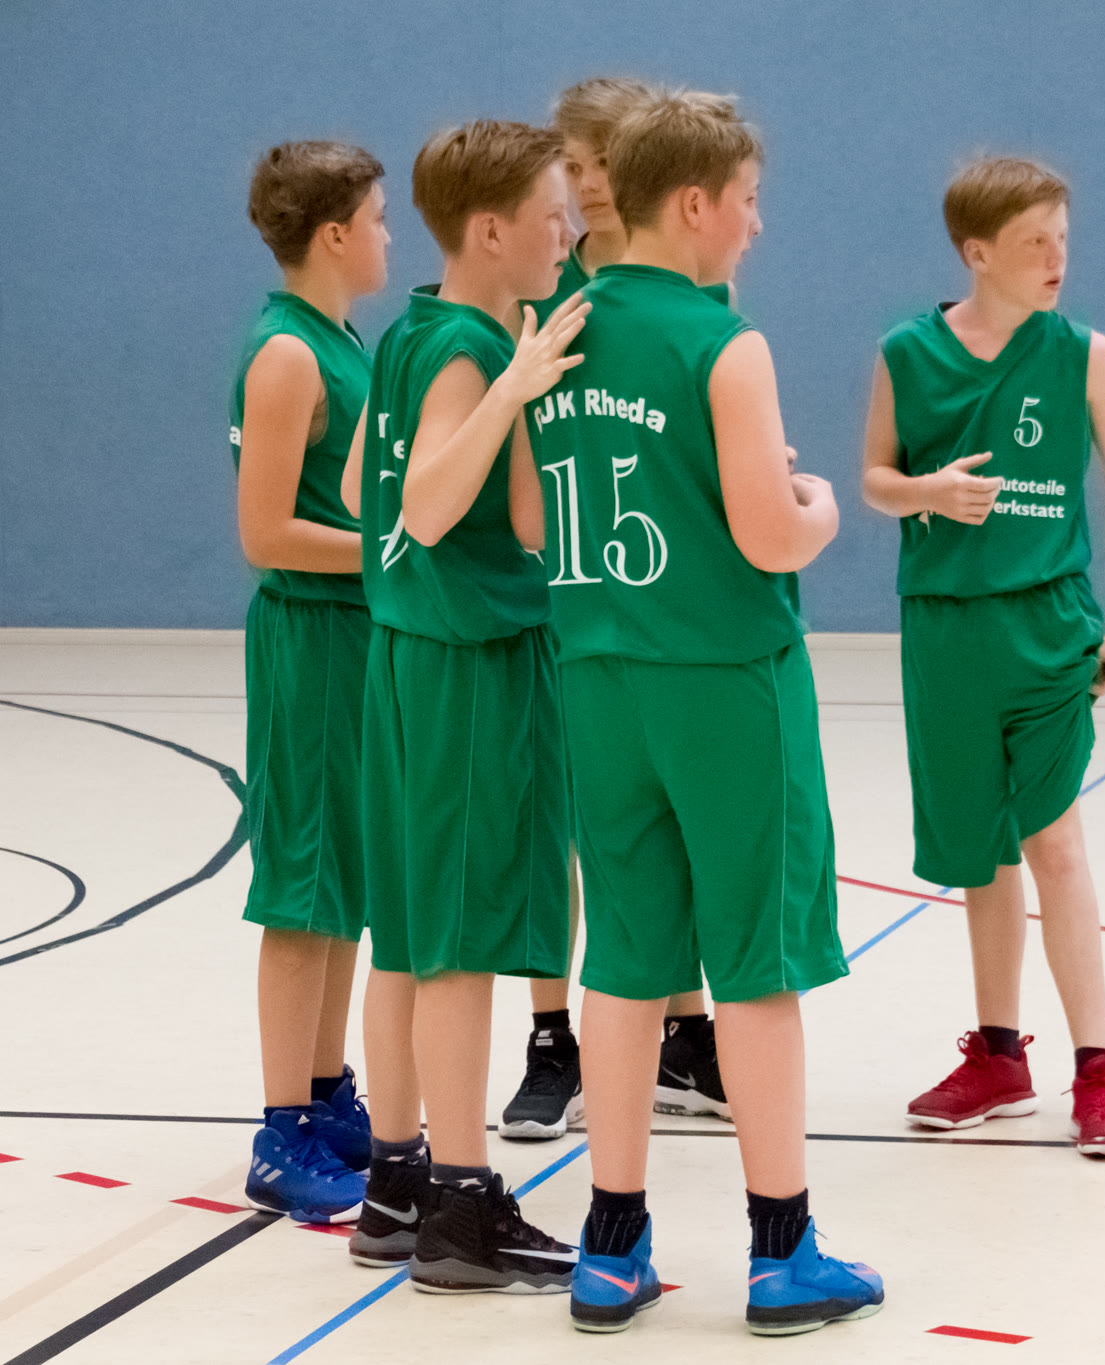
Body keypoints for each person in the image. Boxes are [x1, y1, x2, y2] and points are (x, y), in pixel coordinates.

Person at [524, 90, 884, 1335]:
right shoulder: (725, 343)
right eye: (747, 201)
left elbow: (529, 517)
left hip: (596, 675)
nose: (756, 224)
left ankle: (610, 1245)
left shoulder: (558, 329)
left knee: (625, 964)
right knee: (756, 965)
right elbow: (768, 532)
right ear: (693, 204)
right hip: (725, 679)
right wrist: (817, 506)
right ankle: (782, 1252)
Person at [860, 155, 1105, 1158]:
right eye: (1034, 243)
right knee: (979, 854)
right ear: (976, 252)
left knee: (1054, 843)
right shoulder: (906, 352)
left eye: (1061, 238)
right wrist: (927, 492)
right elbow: (874, 478)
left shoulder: (1086, 356)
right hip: (946, 630)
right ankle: (997, 1056)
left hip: (1048, 626)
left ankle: (1096, 1070)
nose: (1055, 258)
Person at [338, 119, 588, 1290]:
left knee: (406, 934)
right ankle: (463, 1205)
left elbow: (363, 484)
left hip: (404, 656)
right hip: (468, 664)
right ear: (491, 232)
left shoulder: (410, 330)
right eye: (551, 216)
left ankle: (394, 1184)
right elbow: (427, 507)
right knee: (459, 944)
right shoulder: (474, 353)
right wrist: (516, 391)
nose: (568, 232)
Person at [501, 75, 729, 1145]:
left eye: (599, 165)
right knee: (570, 827)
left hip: (660, 601)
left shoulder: (691, 287)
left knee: (659, 822)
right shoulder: (543, 286)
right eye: (573, 166)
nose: (586, 184)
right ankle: (554, 1035)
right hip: (564, 584)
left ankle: (685, 1030)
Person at [234, 140, 389, 1223]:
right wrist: (394, 547)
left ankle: (327, 1093)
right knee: (302, 887)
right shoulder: (287, 355)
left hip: (355, 639)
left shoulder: (340, 339)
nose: (388, 237)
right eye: (377, 219)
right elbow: (267, 532)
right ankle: (280, 1130)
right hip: (311, 641)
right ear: (333, 234)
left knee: (343, 879)